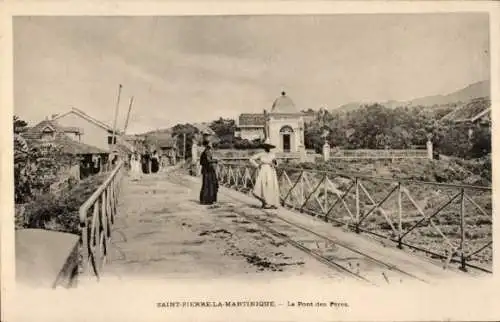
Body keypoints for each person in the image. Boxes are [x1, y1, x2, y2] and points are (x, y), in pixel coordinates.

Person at [249, 139, 280, 209]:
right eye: (266, 147)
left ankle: (271, 202)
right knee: (263, 185)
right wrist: (257, 165)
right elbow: (251, 159)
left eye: (268, 147)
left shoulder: (272, 154)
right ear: (264, 147)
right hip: (263, 170)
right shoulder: (261, 154)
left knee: (271, 185)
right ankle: (265, 202)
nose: (267, 148)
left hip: (271, 171)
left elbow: (276, 164)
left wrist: (275, 163)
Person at [199, 140, 219, 206]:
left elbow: (202, 162)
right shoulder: (207, 152)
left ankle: (205, 200)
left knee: (207, 184)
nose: (212, 144)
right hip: (208, 170)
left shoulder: (204, 152)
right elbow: (209, 160)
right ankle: (208, 200)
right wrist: (216, 160)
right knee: (209, 184)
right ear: (208, 145)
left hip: (206, 170)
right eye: (210, 144)